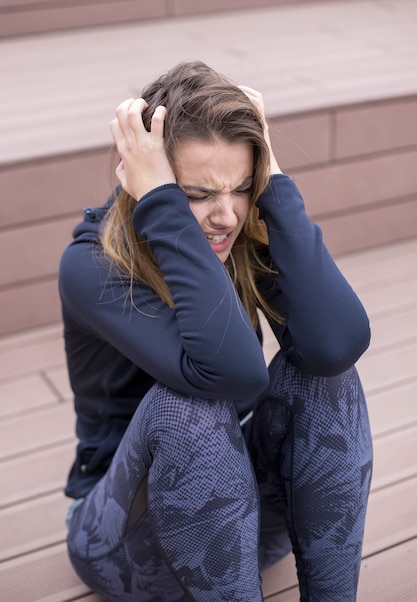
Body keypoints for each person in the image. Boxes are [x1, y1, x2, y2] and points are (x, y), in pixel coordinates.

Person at [59, 60, 373, 602]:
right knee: (191, 405)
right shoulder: (92, 266)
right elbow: (228, 374)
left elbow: (336, 344)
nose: (225, 216)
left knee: (327, 380)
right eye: (195, 194)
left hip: (247, 526)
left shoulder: (240, 236)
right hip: (131, 540)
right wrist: (162, 207)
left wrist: (272, 181)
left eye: (242, 187)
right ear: (143, 179)